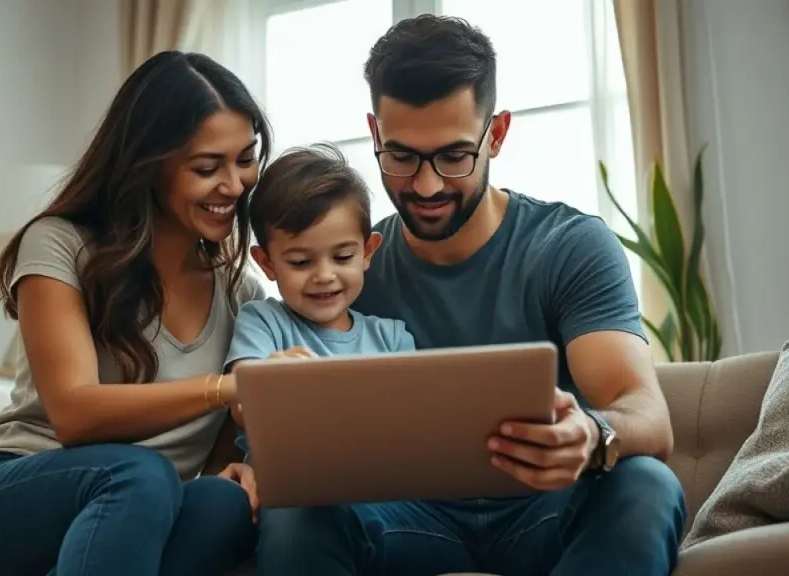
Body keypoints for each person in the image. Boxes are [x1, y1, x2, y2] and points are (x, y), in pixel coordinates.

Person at [256, 15, 686, 576]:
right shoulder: (347, 265)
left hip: (547, 507)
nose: (427, 185)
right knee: (294, 513)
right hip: (408, 517)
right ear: (375, 133)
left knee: (647, 484)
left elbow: (648, 416)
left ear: (497, 134)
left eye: (454, 156)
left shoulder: (568, 246)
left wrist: (593, 431)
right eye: (402, 157)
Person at [0, 51, 270, 576]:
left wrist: (243, 465)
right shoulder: (60, 245)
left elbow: (215, 456)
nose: (234, 185)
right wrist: (222, 388)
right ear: (147, 164)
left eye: (245, 158)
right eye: (207, 167)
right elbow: (72, 414)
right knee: (142, 475)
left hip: (138, 522)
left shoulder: (242, 296)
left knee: (229, 506)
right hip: (6, 498)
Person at [221, 143, 417, 461]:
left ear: (367, 252)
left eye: (342, 257)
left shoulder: (392, 338)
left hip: (376, 488)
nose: (324, 275)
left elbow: (412, 422)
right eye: (300, 262)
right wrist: (264, 384)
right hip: (290, 485)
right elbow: (242, 408)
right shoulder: (262, 322)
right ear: (267, 263)